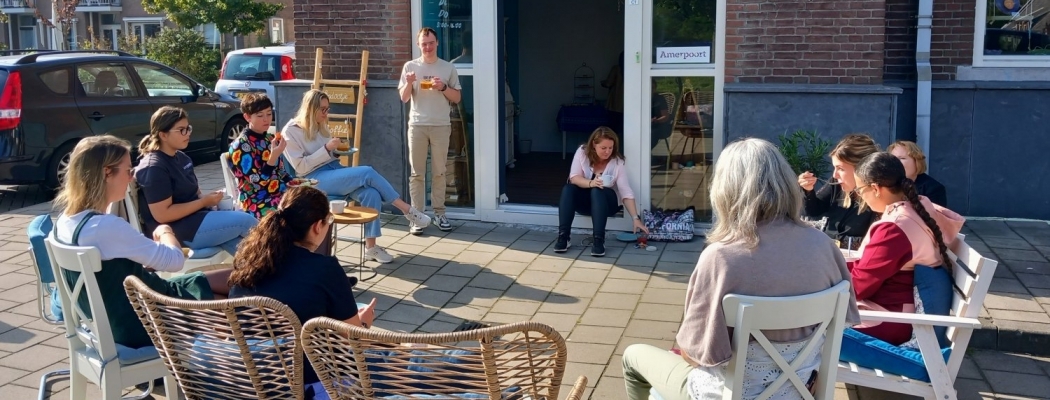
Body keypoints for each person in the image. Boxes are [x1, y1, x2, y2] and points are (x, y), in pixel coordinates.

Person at [621, 138, 859, 400]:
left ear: (726, 190)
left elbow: (697, 354)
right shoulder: (824, 246)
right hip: (799, 391)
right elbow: (842, 324)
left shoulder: (721, 257)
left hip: (729, 393)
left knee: (633, 356)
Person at [54, 135, 231, 348]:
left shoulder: (64, 221)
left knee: (227, 282)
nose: (132, 179)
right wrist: (165, 231)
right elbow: (174, 261)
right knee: (228, 292)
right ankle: (231, 358)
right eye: (129, 171)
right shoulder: (106, 227)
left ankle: (221, 357)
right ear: (106, 173)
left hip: (116, 317)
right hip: (140, 322)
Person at [229, 185, 376, 394]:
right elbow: (354, 341)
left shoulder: (247, 262)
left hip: (256, 380)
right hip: (312, 384)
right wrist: (364, 323)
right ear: (318, 226)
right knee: (407, 364)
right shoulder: (325, 269)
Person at [282, 89, 432, 263]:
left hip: (332, 170)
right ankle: (407, 210)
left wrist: (335, 152)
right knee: (366, 172)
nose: (326, 113)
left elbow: (328, 155)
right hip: (312, 179)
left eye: (327, 109)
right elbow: (300, 166)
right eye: (323, 109)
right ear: (310, 108)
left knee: (371, 193)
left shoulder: (320, 125)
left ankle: (371, 247)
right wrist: (327, 149)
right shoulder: (291, 131)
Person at [845, 152, 963, 345]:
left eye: (860, 190)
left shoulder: (894, 228)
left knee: (813, 329)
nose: (860, 196)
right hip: (899, 311)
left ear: (875, 188)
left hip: (893, 319)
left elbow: (859, 286)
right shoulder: (919, 206)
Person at [135, 106, 258, 255]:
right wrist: (203, 202)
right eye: (181, 130)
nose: (187, 134)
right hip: (176, 231)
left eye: (188, 128)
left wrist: (213, 199)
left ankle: (264, 274)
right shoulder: (154, 167)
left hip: (197, 220)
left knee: (242, 247)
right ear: (163, 135)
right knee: (246, 221)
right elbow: (162, 215)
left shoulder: (181, 157)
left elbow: (195, 194)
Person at [398, 27, 463, 234]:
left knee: (439, 171)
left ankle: (439, 213)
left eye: (431, 42)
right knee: (417, 173)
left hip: (441, 126)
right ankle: (417, 216)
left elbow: (458, 97)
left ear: (437, 43)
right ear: (418, 45)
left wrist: (443, 87)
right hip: (417, 125)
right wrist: (408, 83)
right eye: (424, 43)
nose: (427, 47)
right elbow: (404, 98)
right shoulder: (410, 66)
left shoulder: (447, 68)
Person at [555, 127, 648, 257]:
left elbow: (625, 190)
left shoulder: (617, 162)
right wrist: (591, 183)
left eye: (610, 148)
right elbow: (574, 177)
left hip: (606, 205)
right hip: (586, 204)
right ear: (594, 144)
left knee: (598, 191)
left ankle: (599, 240)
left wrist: (635, 218)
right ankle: (563, 237)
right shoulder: (582, 152)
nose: (607, 152)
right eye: (603, 148)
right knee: (568, 189)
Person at [797, 133, 880, 244]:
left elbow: (874, 241)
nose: (835, 175)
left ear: (861, 168)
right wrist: (807, 190)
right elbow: (814, 210)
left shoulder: (879, 197)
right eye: (835, 168)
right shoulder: (837, 184)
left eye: (840, 168)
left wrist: (835, 241)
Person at [227, 93, 293, 218]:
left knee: (314, 204)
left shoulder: (270, 138)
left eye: (269, 114)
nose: (266, 119)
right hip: (256, 200)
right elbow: (257, 183)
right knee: (293, 214)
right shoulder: (240, 146)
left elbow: (280, 171)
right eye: (260, 115)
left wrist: (294, 182)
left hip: (279, 192)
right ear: (247, 117)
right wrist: (273, 156)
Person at [887, 140, 947, 207]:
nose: (896, 162)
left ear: (917, 161)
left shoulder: (933, 189)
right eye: (893, 159)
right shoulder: (885, 185)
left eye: (902, 158)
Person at [601, 52, 625, 135]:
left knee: (612, 130)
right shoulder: (633, 69)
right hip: (628, 105)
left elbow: (608, 83)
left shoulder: (616, 69)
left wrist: (602, 83)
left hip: (615, 103)